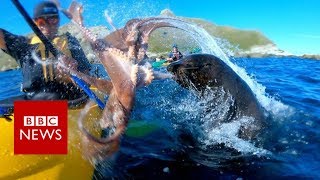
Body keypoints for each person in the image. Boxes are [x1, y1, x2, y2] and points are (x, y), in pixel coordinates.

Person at [0, 1, 91, 101]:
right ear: (35, 22)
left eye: (53, 20)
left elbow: (87, 81)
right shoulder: (23, 45)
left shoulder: (70, 42)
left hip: (69, 99)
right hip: (34, 101)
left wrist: (74, 72)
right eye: (41, 22)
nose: (47, 25)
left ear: (58, 21)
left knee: (51, 97)